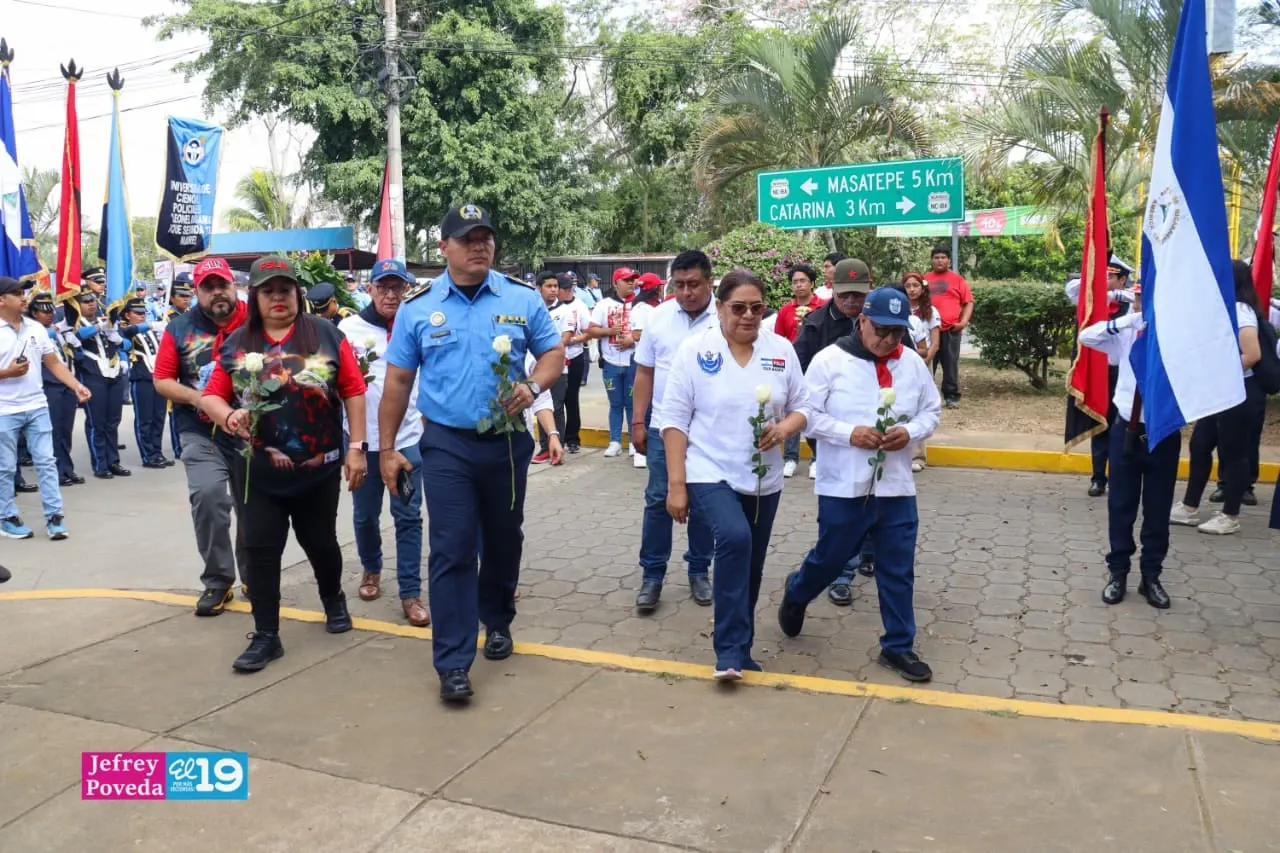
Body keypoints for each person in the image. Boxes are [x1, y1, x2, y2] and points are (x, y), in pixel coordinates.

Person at [377, 202, 565, 703]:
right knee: (452, 545)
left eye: (486, 237)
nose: (480, 245)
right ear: (444, 248)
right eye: (467, 238)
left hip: (505, 443)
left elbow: (553, 353)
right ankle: (454, 662)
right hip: (446, 445)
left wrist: (531, 385)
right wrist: (387, 448)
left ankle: (498, 619)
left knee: (504, 538)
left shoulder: (521, 299)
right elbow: (397, 380)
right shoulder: (419, 307)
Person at [200, 254, 368, 673]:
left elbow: (353, 388)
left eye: (285, 289)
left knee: (321, 544)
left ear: (298, 294)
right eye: (269, 291)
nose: (278, 298)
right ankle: (266, 635)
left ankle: (334, 599)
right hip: (257, 471)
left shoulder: (326, 335)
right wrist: (228, 415)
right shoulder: (238, 343)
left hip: (318, 467)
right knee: (260, 550)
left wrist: (357, 447)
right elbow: (211, 395)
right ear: (255, 297)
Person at [778, 287, 942, 682]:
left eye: (897, 334)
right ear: (862, 321)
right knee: (831, 558)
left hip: (896, 487)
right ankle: (798, 591)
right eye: (881, 331)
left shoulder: (913, 365)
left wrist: (911, 432)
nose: (888, 341)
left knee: (898, 568)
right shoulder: (829, 361)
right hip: (844, 486)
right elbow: (806, 415)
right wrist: (849, 433)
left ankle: (898, 646)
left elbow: (931, 410)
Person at [661, 269, 809, 679]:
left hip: (764, 477)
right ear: (721, 307)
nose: (748, 316)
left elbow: (804, 405)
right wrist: (676, 485)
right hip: (708, 470)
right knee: (734, 537)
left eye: (757, 308)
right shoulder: (695, 350)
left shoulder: (780, 350)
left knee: (752, 563)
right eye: (738, 307)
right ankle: (726, 650)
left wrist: (784, 428)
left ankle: (741, 650)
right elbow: (673, 420)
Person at [153, 256, 250, 616]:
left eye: (221, 285)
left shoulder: (256, 321)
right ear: (197, 292)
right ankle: (218, 581)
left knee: (252, 505)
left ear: (233, 285)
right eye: (207, 288)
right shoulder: (179, 328)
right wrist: (201, 399)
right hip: (200, 430)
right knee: (209, 497)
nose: (217, 293)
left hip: (249, 430)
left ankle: (254, 575)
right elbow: (162, 380)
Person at [339, 258, 430, 627]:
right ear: (371, 289)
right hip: (364, 443)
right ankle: (371, 568)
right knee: (364, 516)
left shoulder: (416, 324)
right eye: (383, 287)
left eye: (397, 288)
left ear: (406, 290)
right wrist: (351, 445)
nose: (391, 294)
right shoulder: (348, 329)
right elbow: (340, 387)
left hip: (407, 441)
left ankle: (410, 592)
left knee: (408, 518)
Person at [1077, 289, 1174, 609]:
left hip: (1163, 430)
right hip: (1126, 429)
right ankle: (1118, 572)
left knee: (1158, 508)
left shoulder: (1177, 331)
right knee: (1121, 505)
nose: (1142, 298)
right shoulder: (1126, 330)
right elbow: (1087, 337)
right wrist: (1132, 320)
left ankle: (1151, 576)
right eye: (1140, 293)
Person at [631, 250, 717, 613]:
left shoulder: (725, 317)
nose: (686, 292)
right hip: (662, 427)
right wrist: (637, 420)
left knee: (702, 502)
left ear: (710, 282)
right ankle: (652, 576)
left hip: (710, 430)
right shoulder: (659, 318)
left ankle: (699, 570)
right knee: (657, 500)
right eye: (678, 285)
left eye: (694, 284)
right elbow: (645, 372)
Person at [1170, 260, 1264, 537]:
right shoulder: (1223, 308)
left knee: (1233, 455)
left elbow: (1252, 354)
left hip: (1238, 394)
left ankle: (1230, 515)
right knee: (1200, 446)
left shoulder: (1240, 311)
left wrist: (1222, 375)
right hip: (1219, 393)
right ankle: (1189, 507)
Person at [0, 278, 93, 541]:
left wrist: (76, 385)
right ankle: (6, 516)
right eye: (17, 293)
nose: (24, 297)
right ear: (1, 300)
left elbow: (52, 362)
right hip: (4, 410)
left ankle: (55, 517)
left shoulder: (36, 329)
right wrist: (6, 373)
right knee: (5, 467)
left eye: (24, 292)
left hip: (37, 405)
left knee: (47, 462)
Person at [794, 258, 873, 488]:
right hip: (831, 422)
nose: (850, 300)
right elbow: (799, 369)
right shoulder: (815, 324)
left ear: (869, 288)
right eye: (843, 294)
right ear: (833, 290)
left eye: (857, 295)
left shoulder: (883, 321)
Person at [1066, 256, 1137, 496]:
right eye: (1102, 276)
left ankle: (1120, 475)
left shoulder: (1131, 303)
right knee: (1100, 423)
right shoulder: (1091, 299)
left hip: (1123, 374)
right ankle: (1098, 477)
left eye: (1110, 277)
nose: (1104, 281)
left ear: (1123, 279)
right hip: (1098, 371)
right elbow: (1072, 288)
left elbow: (1136, 298)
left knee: (1122, 425)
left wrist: (1116, 295)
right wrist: (1095, 282)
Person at [64, 289, 129, 479]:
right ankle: (100, 464)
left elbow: (124, 343)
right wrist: (99, 327)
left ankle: (113, 461)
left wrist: (118, 339)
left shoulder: (105, 320)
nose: (91, 304)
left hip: (113, 373)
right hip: (93, 374)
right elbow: (77, 336)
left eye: (93, 301)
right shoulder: (72, 323)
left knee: (113, 421)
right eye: (85, 302)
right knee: (97, 422)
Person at [775, 264, 826, 478]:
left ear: (812, 283)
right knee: (791, 410)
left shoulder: (823, 307)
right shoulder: (785, 311)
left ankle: (817, 459)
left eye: (803, 281)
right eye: (795, 282)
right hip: (792, 367)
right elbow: (777, 339)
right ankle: (790, 458)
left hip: (818, 365)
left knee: (817, 409)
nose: (799, 285)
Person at [27, 292, 84, 486]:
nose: (49, 315)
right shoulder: (33, 332)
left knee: (66, 430)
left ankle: (67, 468)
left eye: (50, 311)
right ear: (34, 313)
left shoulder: (56, 331)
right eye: (43, 312)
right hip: (48, 385)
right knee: (53, 431)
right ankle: (56, 472)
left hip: (65, 384)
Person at [590, 268, 639, 458]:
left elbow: (649, 333)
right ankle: (615, 441)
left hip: (634, 363)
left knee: (633, 404)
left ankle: (635, 443)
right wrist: (610, 331)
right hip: (610, 363)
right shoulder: (604, 305)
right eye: (626, 280)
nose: (631, 283)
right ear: (615, 283)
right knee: (615, 403)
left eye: (633, 280)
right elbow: (592, 331)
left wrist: (632, 340)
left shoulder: (640, 305)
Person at [117, 298, 172, 469]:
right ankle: (148, 455)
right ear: (127, 314)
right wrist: (152, 325)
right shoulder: (124, 329)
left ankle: (157, 452)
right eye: (137, 313)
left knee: (158, 417)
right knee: (145, 419)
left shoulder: (150, 331)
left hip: (158, 377)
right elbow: (127, 333)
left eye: (143, 313)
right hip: (141, 377)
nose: (142, 316)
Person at [924, 246, 974, 408]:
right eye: (937, 257)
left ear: (949, 260)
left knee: (950, 364)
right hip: (929, 330)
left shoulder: (957, 279)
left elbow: (968, 303)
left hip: (951, 330)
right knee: (926, 362)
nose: (940, 260)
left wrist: (963, 322)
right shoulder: (924, 279)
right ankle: (926, 397)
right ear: (932, 260)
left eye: (943, 257)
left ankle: (951, 396)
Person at [903, 272, 941, 473]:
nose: (911, 289)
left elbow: (933, 343)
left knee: (919, 407)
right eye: (907, 286)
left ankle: (918, 455)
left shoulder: (929, 312)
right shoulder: (899, 310)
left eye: (915, 285)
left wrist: (924, 361)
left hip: (921, 362)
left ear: (922, 288)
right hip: (901, 364)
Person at [532, 271, 570, 466]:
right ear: (539, 288)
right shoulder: (534, 310)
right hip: (536, 367)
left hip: (558, 367)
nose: (554, 290)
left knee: (555, 407)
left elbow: (565, 337)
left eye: (556, 286)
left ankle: (556, 445)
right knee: (539, 402)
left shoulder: (564, 311)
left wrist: (550, 355)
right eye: (549, 286)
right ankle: (544, 447)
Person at [555, 273, 592, 453]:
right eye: (565, 289)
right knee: (555, 401)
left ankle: (572, 438)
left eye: (571, 289)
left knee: (571, 398)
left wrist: (574, 339)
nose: (568, 292)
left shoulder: (580, 307)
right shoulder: (551, 307)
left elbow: (588, 333)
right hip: (554, 358)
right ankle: (556, 438)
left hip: (574, 356)